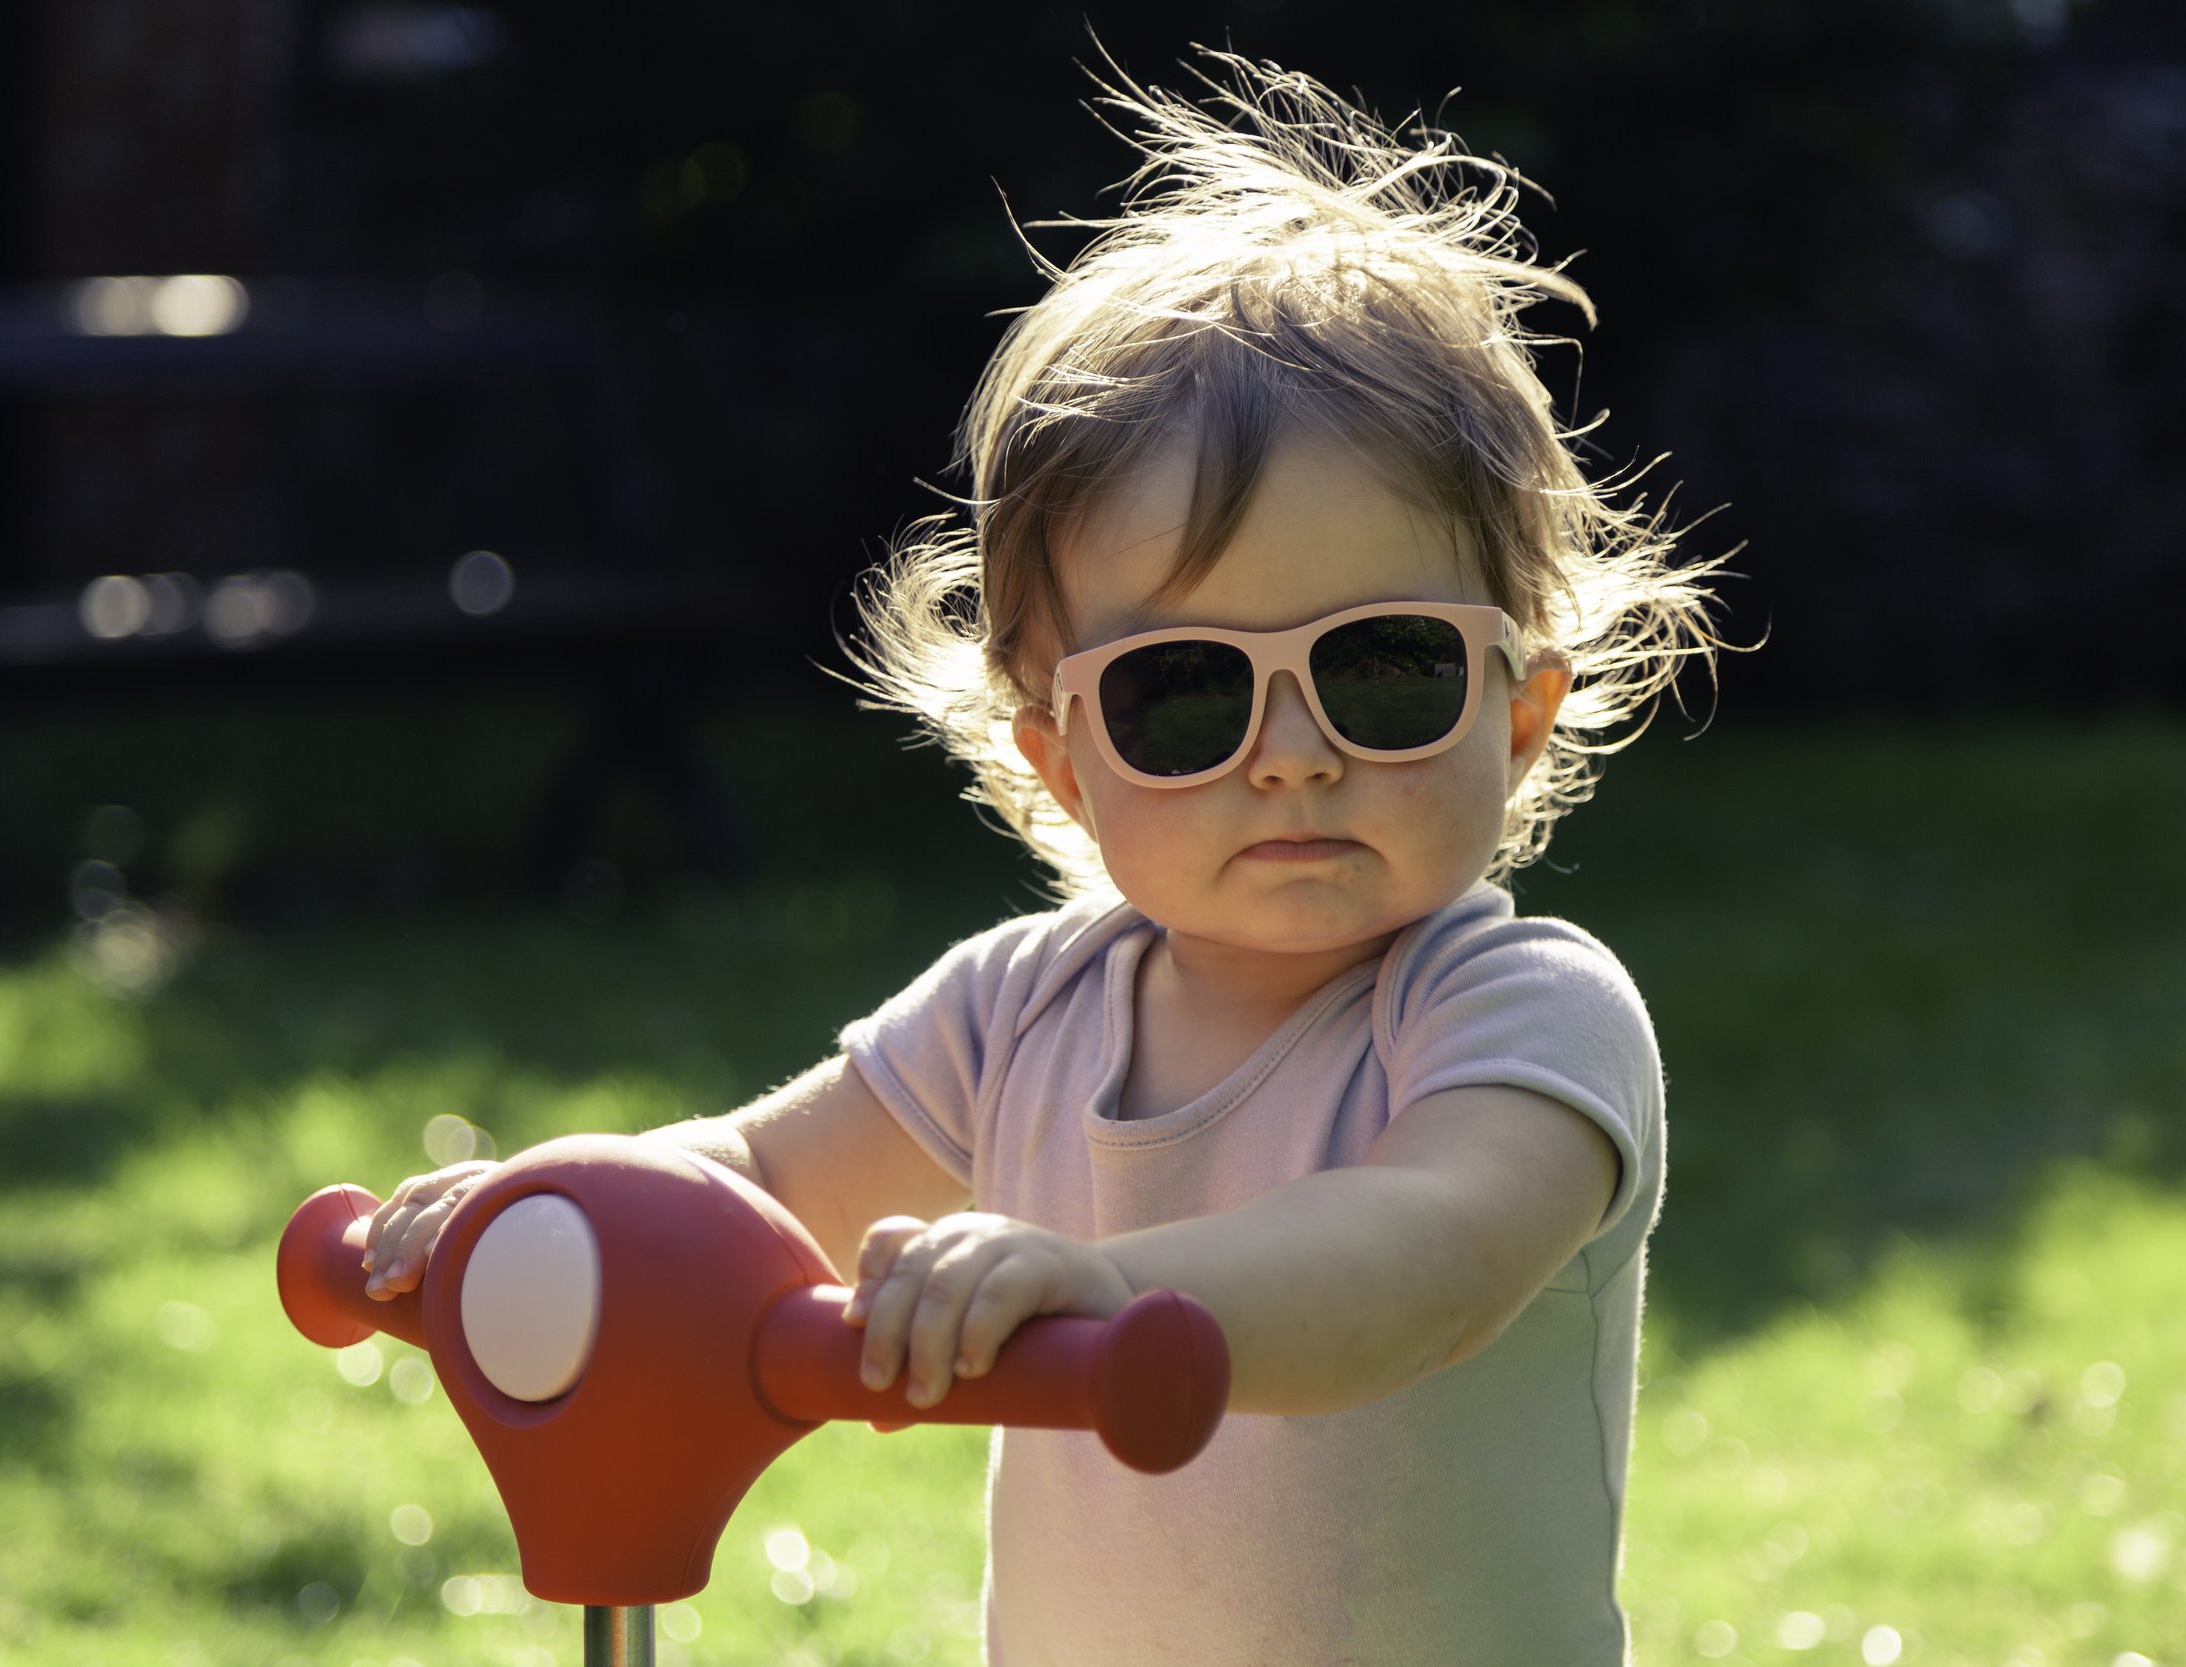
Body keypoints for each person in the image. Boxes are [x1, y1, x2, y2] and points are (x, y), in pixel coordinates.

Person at [360, 45, 1731, 1666]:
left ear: (1517, 710)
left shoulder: (1518, 1013)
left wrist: (1099, 1283)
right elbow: (754, 1187)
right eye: (1183, 692)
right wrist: (553, 1209)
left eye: (1384, 667)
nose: (1293, 749)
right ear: (1062, 761)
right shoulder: (1019, 1013)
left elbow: (1424, 1261)